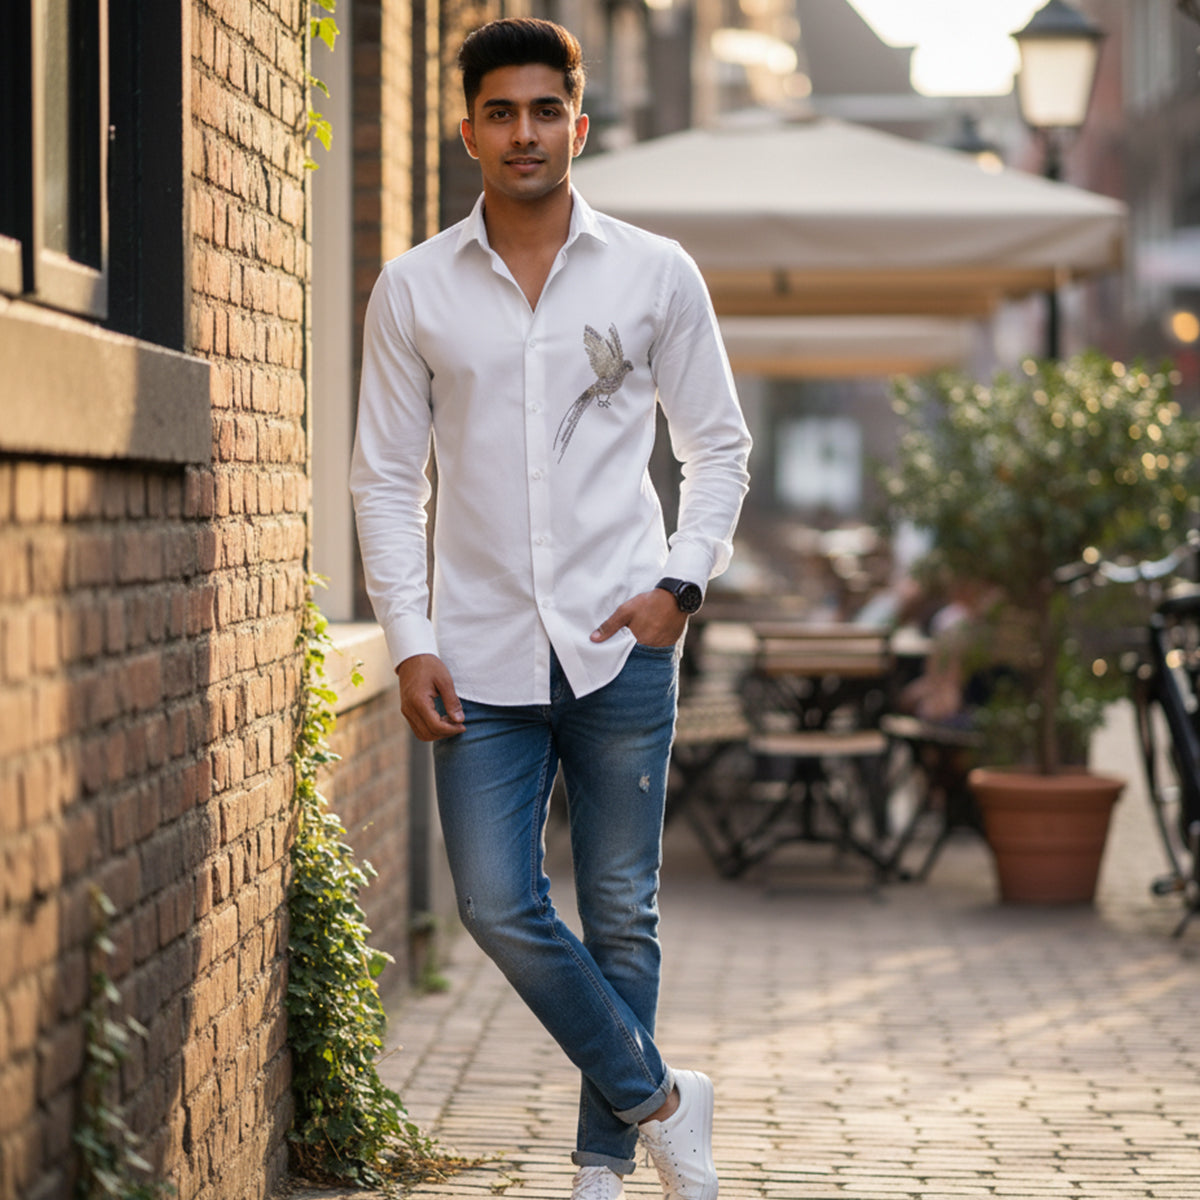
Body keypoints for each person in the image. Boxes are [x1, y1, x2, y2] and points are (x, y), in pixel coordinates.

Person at [349, 17, 752, 1200]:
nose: (523, 132)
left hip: (621, 643)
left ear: (579, 123)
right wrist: (410, 638)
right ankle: (664, 1098)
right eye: (500, 112)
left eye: (544, 111)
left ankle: (600, 1164)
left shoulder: (655, 273)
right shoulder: (413, 286)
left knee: (623, 913)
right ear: (465, 126)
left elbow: (717, 445)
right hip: (473, 654)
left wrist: (683, 582)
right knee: (493, 903)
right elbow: (384, 477)